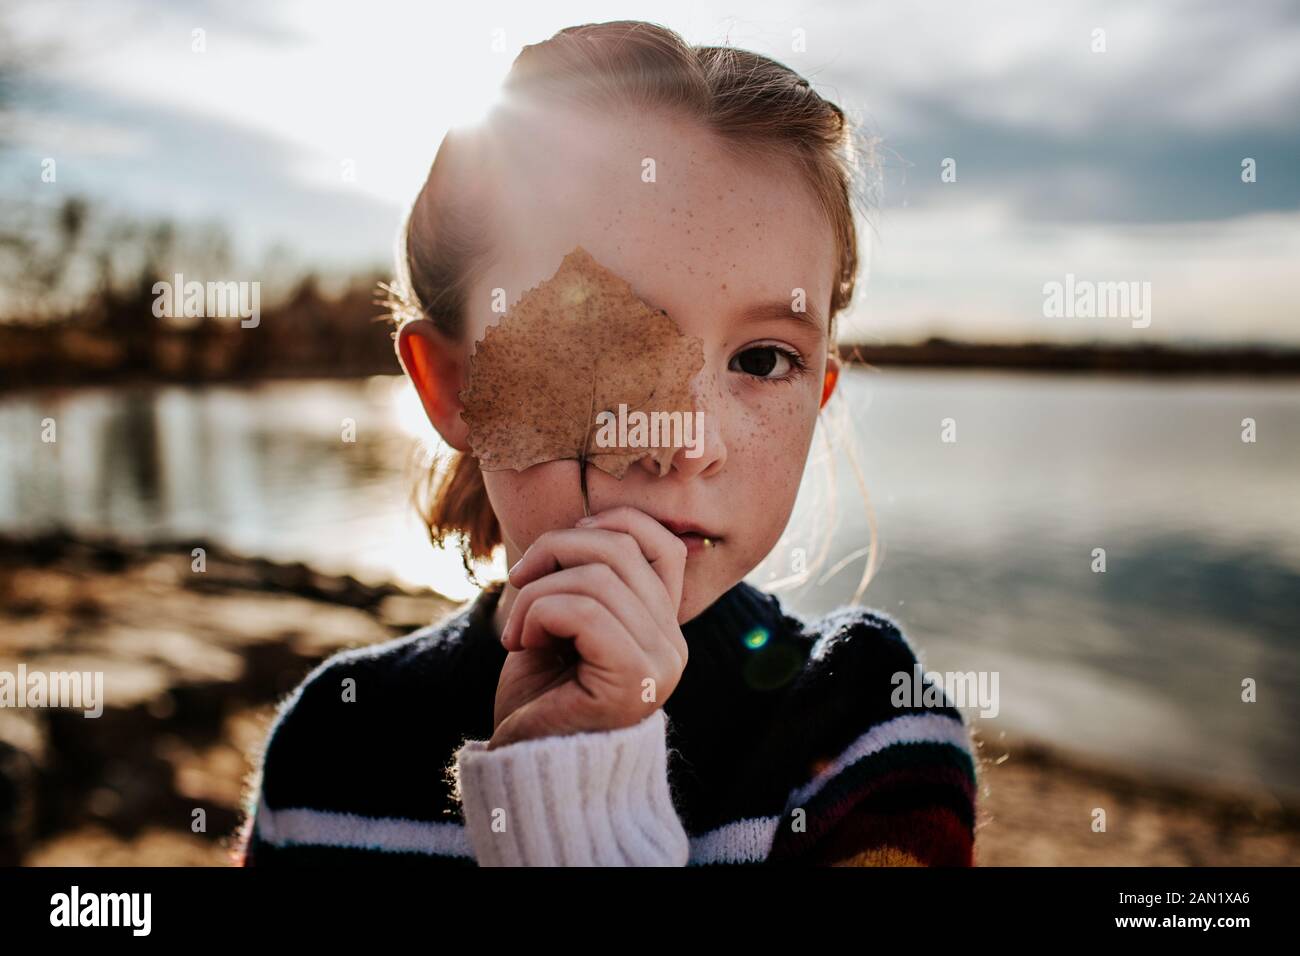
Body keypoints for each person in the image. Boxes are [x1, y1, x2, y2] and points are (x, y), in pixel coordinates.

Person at [232, 20, 978, 867]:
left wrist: (576, 807)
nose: (686, 441)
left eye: (763, 360)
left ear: (820, 395)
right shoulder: (334, 744)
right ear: (450, 388)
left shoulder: (864, 730)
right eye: (599, 346)